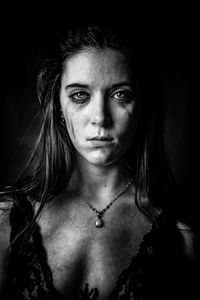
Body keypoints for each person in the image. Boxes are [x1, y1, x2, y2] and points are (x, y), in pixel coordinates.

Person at [0, 21, 198, 300]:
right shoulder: (7, 222)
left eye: (121, 95)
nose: (100, 118)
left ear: (142, 105)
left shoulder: (181, 237)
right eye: (80, 95)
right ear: (58, 106)